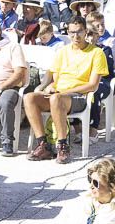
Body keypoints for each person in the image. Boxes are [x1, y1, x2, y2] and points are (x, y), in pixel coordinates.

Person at [25, 17, 106, 163]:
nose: (76, 36)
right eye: (72, 32)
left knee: (56, 99)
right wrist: (49, 87)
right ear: (68, 32)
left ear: (86, 31)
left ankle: (62, 146)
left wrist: (64, 92)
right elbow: (55, 78)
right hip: (59, 95)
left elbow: (93, 85)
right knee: (29, 97)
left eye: (79, 32)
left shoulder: (96, 53)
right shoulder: (63, 52)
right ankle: (44, 145)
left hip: (80, 96)